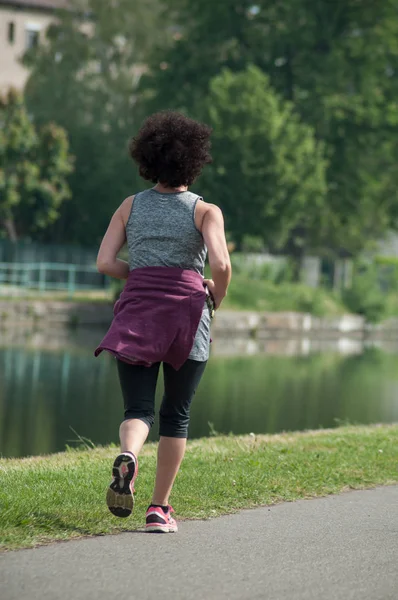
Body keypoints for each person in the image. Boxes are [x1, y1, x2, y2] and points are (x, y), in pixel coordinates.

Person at [95, 111, 231, 533]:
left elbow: (104, 262)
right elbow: (221, 264)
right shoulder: (205, 211)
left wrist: (141, 273)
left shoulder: (129, 206)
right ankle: (159, 509)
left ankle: (130, 456)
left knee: (138, 408)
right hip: (187, 318)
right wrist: (215, 295)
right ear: (194, 161)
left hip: (137, 311)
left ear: (148, 158)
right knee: (177, 414)